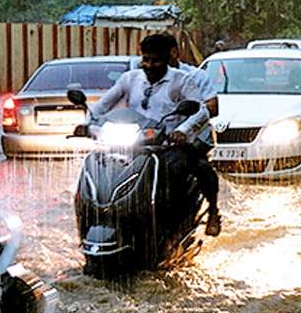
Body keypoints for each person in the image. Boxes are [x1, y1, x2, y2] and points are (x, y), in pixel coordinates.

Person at [89, 33, 222, 235]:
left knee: (197, 166)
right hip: (135, 143)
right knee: (100, 163)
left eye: (155, 60)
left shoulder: (183, 80)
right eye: (146, 59)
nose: (149, 65)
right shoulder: (130, 78)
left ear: (168, 59)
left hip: (168, 145)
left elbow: (202, 110)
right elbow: (103, 104)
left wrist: (182, 131)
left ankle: (211, 211)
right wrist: (87, 123)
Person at [166, 35, 222, 236]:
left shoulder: (196, 76)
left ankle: (213, 211)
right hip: (157, 138)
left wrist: (186, 128)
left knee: (199, 165)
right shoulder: (142, 79)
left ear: (174, 53)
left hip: (194, 138)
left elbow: (212, 106)